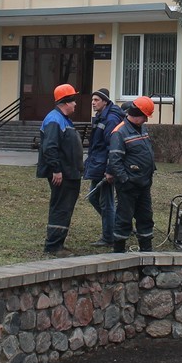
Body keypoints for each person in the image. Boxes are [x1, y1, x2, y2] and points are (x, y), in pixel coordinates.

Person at [36, 83, 84, 257]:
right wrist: (56, 170)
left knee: (64, 208)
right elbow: (50, 148)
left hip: (69, 174)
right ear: (65, 102)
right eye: (73, 101)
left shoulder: (62, 120)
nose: (75, 105)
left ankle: (58, 243)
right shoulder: (54, 120)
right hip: (62, 175)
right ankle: (54, 246)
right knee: (61, 208)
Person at [107, 96, 156, 253]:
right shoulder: (119, 132)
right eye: (145, 116)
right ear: (138, 113)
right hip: (128, 185)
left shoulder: (141, 128)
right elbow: (115, 160)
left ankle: (146, 250)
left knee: (145, 217)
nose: (146, 120)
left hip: (143, 183)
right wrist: (125, 180)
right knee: (124, 218)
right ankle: (119, 252)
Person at [85, 88, 123, 248]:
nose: (93, 103)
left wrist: (110, 169)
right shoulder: (101, 117)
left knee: (106, 202)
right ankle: (116, 227)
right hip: (97, 164)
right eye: (92, 100)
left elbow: (111, 146)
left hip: (105, 167)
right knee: (94, 197)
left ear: (105, 102)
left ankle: (110, 237)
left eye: (96, 100)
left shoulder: (111, 119)